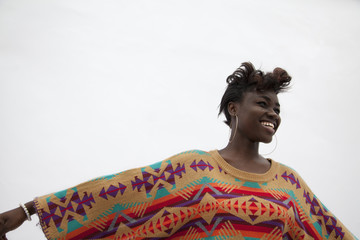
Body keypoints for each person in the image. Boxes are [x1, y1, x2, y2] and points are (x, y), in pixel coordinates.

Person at [0, 62, 357, 240]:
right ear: (234, 109)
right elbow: (119, 193)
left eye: (277, 109)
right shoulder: (194, 169)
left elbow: (331, 234)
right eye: (263, 104)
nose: (273, 114)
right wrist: (29, 209)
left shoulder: (290, 184)